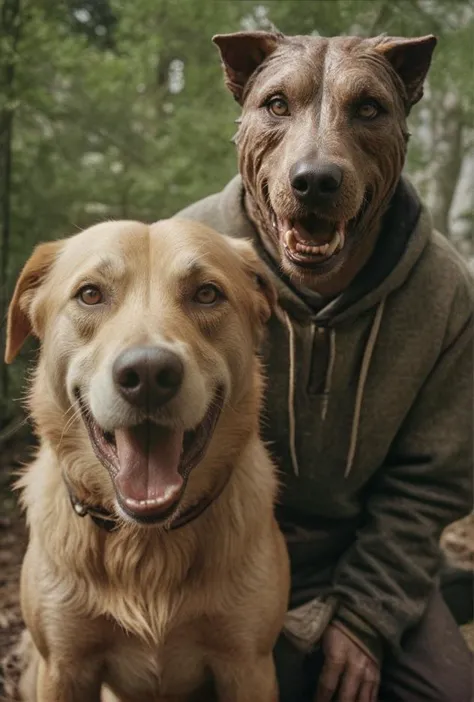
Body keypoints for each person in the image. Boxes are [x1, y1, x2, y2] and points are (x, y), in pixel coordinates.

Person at [174, 30, 473, 702]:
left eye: (366, 110)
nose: (316, 162)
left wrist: (366, 617)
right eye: (277, 105)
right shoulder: (181, 263)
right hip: (213, 552)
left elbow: (433, 482)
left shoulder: (446, 293)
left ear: (404, 119)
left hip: (358, 553)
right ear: (240, 105)